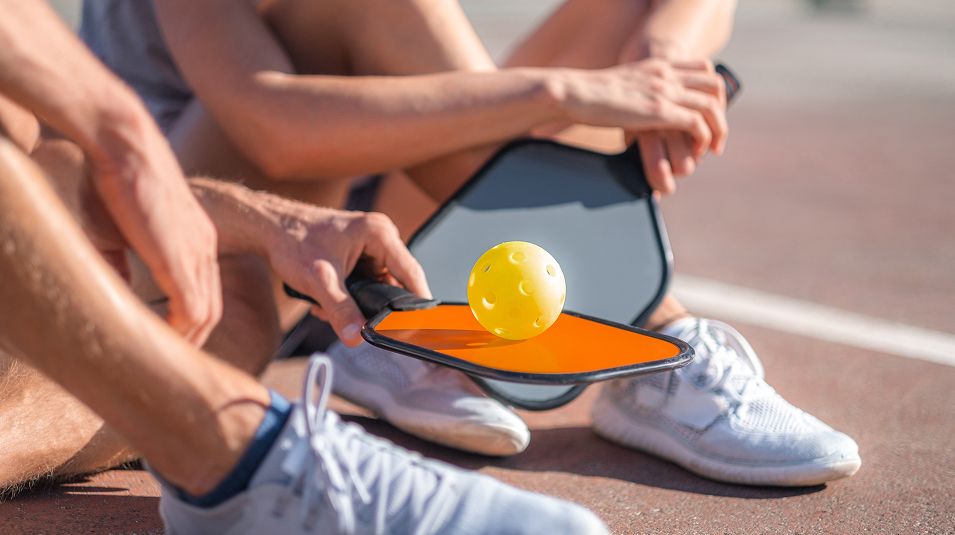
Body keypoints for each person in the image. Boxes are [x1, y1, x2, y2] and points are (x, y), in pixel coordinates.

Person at [77, 0, 862, 486]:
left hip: (387, 205)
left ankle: (408, 333)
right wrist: (559, 93)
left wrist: (663, 63)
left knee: (631, 17)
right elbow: (271, 128)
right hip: (211, 221)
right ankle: (653, 334)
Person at [0, 2, 610, 533]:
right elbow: (272, 125)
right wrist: (557, 92)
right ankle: (228, 444)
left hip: (141, 186)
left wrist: (252, 216)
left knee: (227, 301)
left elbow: (38, 146)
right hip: (184, 153)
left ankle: (229, 423)